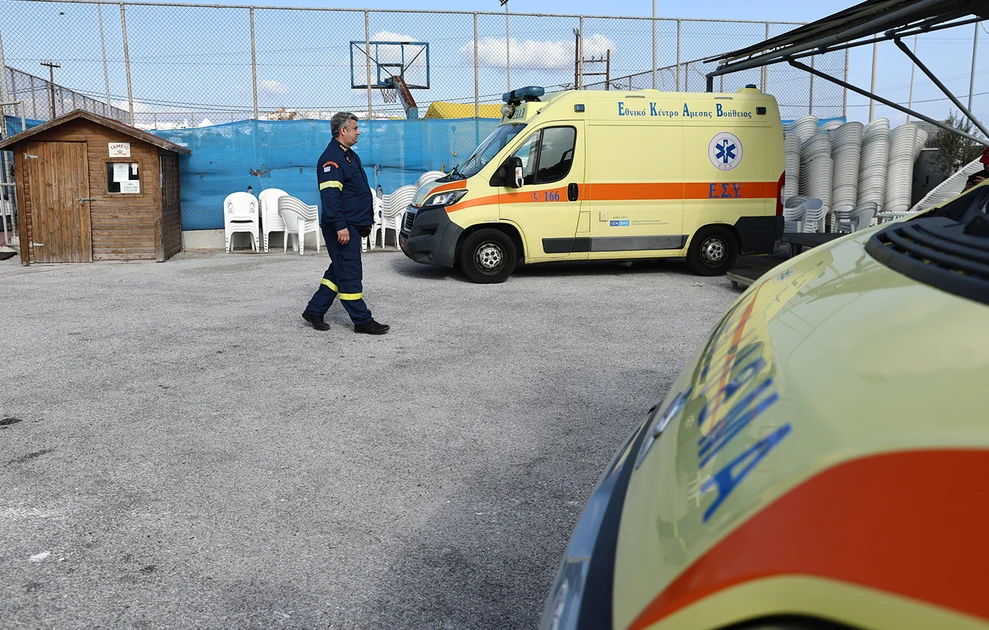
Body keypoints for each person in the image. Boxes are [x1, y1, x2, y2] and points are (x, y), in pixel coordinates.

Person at [301, 112, 389, 335]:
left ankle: (314, 310)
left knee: (339, 268)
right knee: (349, 271)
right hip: (341, 227)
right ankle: (362, 320)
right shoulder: (331, 159)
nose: (358, 132)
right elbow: (330, 198)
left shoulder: (349, 156)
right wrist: (340, 226)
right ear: (343, 131)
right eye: (355, 128)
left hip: (352, 225)